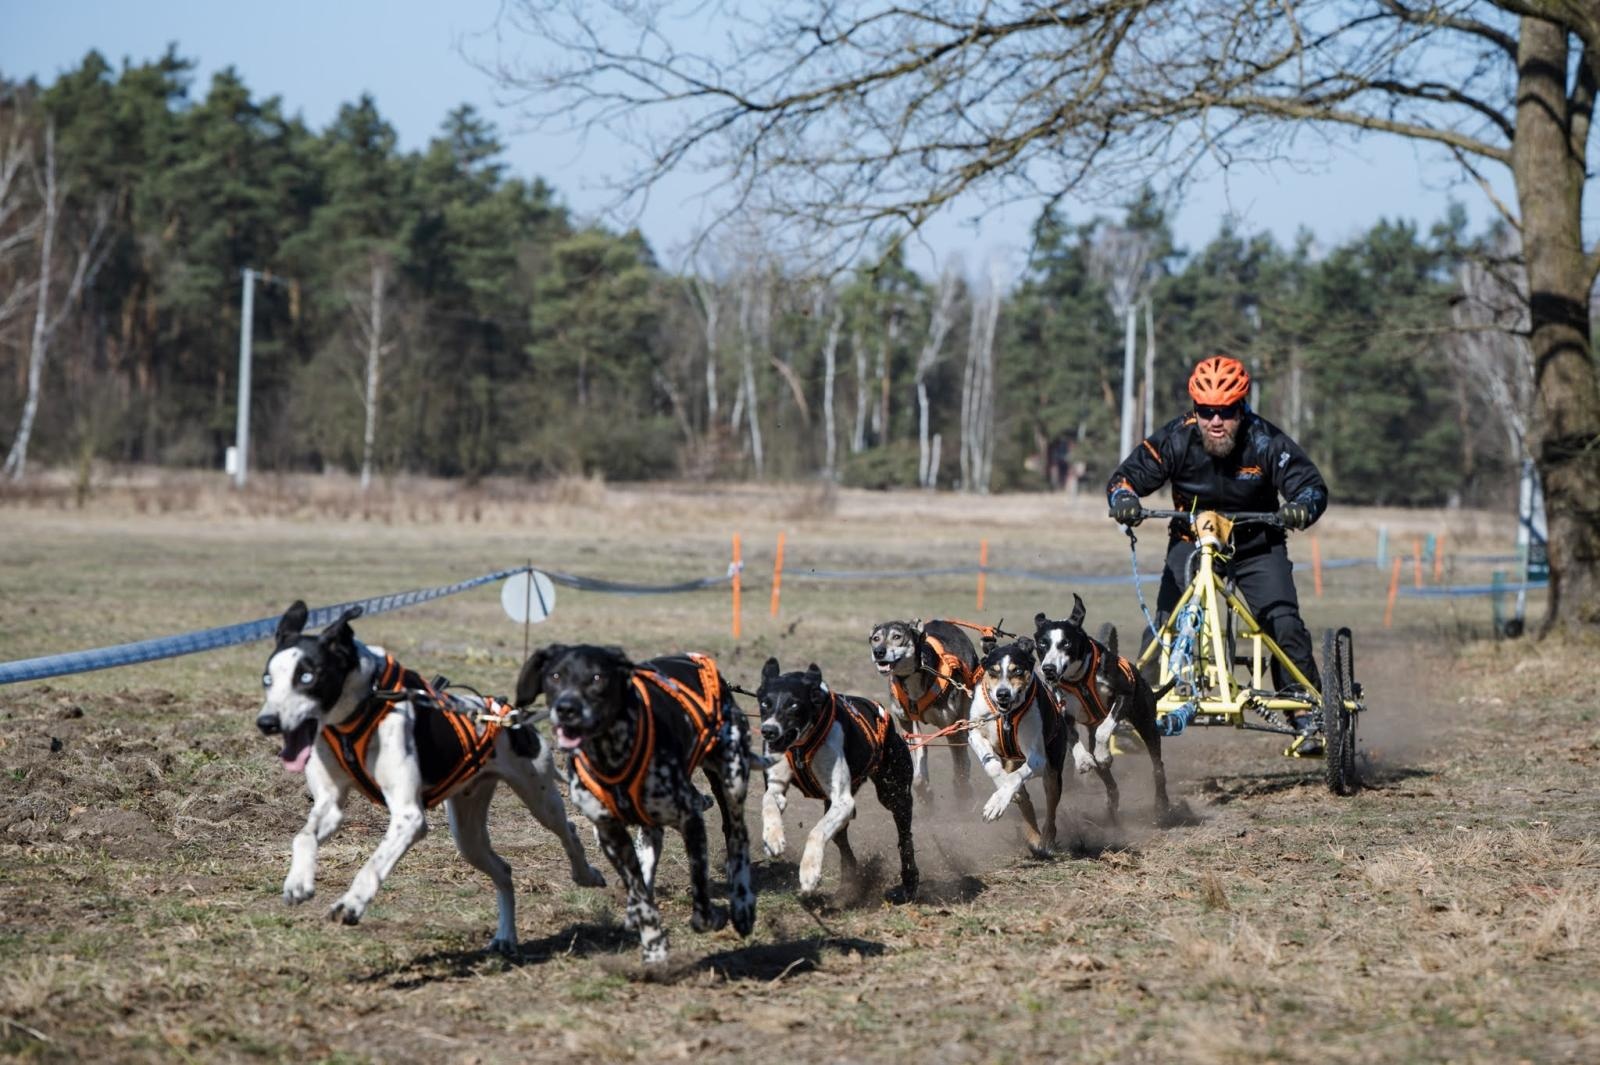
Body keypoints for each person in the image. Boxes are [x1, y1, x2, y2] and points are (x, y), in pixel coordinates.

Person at [1105, 354, 1328, 755]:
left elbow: (1310, 486)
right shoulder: (1175, 439)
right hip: (1191, 542)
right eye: (1206, 411)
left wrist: (1301, 507)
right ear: (1196, 409)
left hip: (1257, 544)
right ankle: (1138, 710)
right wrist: (1124, 499)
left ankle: (1305, 712)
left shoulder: (1265, 441)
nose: (1216, 421)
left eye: (1226, 411)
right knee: (1164, 625)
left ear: (1242, 408)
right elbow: (1124, 479)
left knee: (1283, 624)